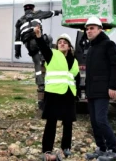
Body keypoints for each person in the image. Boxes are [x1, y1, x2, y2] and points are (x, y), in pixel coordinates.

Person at [33, 25, 80, 161]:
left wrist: (76, 94)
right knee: (51, 122)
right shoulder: (52, 55)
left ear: (70, 46)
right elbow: (43, 47)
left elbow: (76, 78)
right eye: (59, 42)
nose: (62, 43)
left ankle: (66, 148)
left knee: (68, 122)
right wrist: (38, 36)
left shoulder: (75, 61)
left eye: (65, 42)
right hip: (54, 93)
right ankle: (47, 149)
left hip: (69, 94)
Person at [84, 16, 116, 161]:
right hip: (92, 91)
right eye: (87, 29)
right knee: (94, 121)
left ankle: (114, 150)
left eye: (92, 28)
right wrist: (87, 92)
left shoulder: (108, 44)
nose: (89, 31)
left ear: (100, 29)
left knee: (101, 120)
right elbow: (90, 72)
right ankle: (101, 148)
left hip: (103, 90)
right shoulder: (91, 48)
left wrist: (112, 86)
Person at [14, 0, 62, 93]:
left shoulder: (19, 21)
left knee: (36, 63)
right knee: (49, 38)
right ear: (33, 7)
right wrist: (59, 12)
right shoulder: (37, 14)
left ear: (24, 8)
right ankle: (45, 56)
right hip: (38, 39)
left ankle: (40, 85)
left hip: (28, 44)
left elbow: (17, 37)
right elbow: (50, 13)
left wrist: (17, 50)